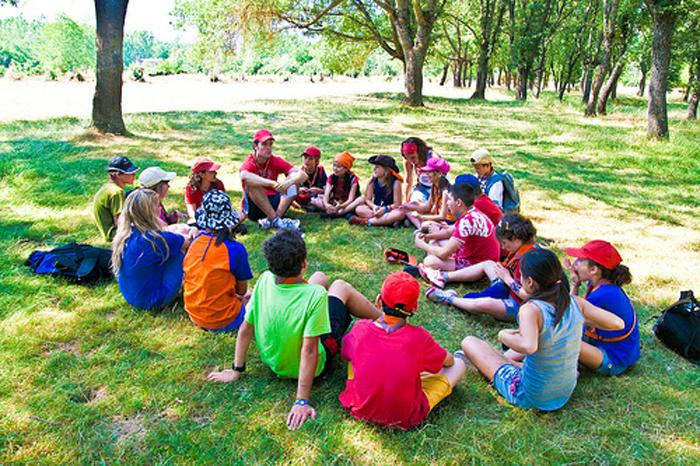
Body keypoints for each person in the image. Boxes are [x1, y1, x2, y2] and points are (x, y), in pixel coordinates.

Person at [207, 229, 381, 431]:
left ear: (271, 265)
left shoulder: (264, 280)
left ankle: (302, 299)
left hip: (275, 363)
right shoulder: (315, 295)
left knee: (320, 277)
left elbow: (246, 327)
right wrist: (301, 401)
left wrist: (237, 369)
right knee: (340, 286)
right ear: (303, 263)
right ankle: (384, 318)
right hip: (314, 366)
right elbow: (309, 350)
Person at [460, 248, 625, 411]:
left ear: (529, 281)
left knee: (469, 343)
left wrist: (502, 335)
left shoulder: (531, 309)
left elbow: (528, 346)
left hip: (530, 395)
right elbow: (618, 324)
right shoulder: (575, 302)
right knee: (511, 357)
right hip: (564, 392)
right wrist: (581, 320)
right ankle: (495, 361)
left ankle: (485, 362)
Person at [339, 272, 467, 429]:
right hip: (405, 417)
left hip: (360, 408)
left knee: (356, 354)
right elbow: (449, 361)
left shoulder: (360, 329)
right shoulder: (420, 338)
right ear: (415, 308)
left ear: (379, 300)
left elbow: (346, 353)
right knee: (459, 364)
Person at [426, 214, 539, 322]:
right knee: (489, 264)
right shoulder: (522, 249)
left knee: (484, 303)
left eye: (504, 243)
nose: (503, 247)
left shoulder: (531, 261)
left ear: (517, 239)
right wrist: (503, 270)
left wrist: (507, 279)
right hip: (508, 287)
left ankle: (449, 298)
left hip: (520, 305)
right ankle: (444, 276)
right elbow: (511, 268)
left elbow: (529, 296)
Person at [565, 240, 640, 376]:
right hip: (618, 352)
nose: (575, 263)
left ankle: (568, 372)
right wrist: (576, 285)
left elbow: (568, 315)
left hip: (614, 360)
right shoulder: (602, 286)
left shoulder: (602, 295)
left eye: (580, 260)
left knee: (560, 340)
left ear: (594, 270)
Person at [183, 190, 253, 332]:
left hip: (194, 313)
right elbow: (242, 290)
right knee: (257, 295)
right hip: (224, 319)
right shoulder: (235, 249)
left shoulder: (196, 242)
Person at [111, 189, 192, 310]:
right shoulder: (154, 239)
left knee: (172, 245)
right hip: (153, 300)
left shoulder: (127, 234)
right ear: (150, 212)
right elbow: (187, 242)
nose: (160, 209)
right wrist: (192, 231)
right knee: (179, 250)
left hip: (132, 297)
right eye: (158, 206)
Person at [415, 182, 499, 276]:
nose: (447, 203)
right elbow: (448, 233)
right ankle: (432, 269)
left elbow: (444, 253)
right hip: (479, 256)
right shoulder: (472, 212)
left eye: (449, 200)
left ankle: (432, 271)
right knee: (435, 242)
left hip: (477, 264)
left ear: (459, 202)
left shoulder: (466, 221)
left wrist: (422, 244)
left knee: (430, 261)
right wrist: (427, 236)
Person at [240, 129, 307, 232]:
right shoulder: (250, 162)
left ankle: (273, 220)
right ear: (255, 146)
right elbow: (244, 176)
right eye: (264, 144)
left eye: (270, 144)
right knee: (251, 184)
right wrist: (271, 183)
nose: (268, 148)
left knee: (294, 183)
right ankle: (276, 220)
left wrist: (288, 182)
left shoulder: (275, 160)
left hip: (275, 203)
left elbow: (302, 175)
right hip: (255, 207)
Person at [348, 155, 406, 227]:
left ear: (386, 170)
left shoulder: (396, 182)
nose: (374, 169)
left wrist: (384, 209)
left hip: (389, 210)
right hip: (375, 210)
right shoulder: (372, 180)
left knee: (400, 213)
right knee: (359, 209)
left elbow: (397, 204)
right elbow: (367, 199)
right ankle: (388, 221)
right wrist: (374, 207)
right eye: (374, 166)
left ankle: (367, 221)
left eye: (377, 167)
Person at [93, 155, 138, 242]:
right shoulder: (117, 192)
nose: (134, 174)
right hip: (114, 233)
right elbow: (120, 222)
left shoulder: (108, 187)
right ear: (118, 175)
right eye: (130, 172)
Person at [402, 156, 452, 229]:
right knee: (408, 211)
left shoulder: (445, 192)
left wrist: (422, 217)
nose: (426, 174)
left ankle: (421, 227)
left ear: (439, 173)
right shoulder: (434, 187)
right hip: (437, 217)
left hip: (446, 222)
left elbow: (442, 216)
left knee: (425, 224)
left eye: (429, 172)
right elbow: (426, 207)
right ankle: (421, 226)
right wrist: (407, 206)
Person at [470, 148, 520, 213]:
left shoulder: (496, 183)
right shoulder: (479, 176)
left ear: (488, 166)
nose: (476, 170)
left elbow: (494, 207)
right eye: (475, 167)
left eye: (478, 168)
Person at [319, 151, 363, 219]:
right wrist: (327, 205)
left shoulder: (353, 179)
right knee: (315, 200)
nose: (335, 168)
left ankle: (338, 214)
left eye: (338, 166)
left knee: (361, 199)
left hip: (348, 204)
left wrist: (340, 207)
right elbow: (326, 195)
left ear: (346, 168)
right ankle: (341, 213)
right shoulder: (331, 177)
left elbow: (350, 199)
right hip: (335, 202)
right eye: (334, 165)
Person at [400, 137, 435, 203]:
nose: (411, 160)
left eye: (413, 157)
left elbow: (442, 179)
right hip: (422, 188)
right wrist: (406, 201)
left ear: (420, 153)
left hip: (437, 188)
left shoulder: (432, 158)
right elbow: (408, 181)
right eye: (407, 157)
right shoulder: (408, 161)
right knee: (414, 204)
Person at [295, 146, 327, 211]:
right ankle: (311, 206)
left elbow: (326, 189)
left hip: (317, 196)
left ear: (317, 162)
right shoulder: (300, 172)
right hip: (304, 197)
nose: (307, 161)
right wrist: (300, 189)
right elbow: (294, 189)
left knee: (323, 198)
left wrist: (320, 190)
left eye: (311, 159)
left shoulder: (320, 171)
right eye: (305, 158)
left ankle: (311, 206)